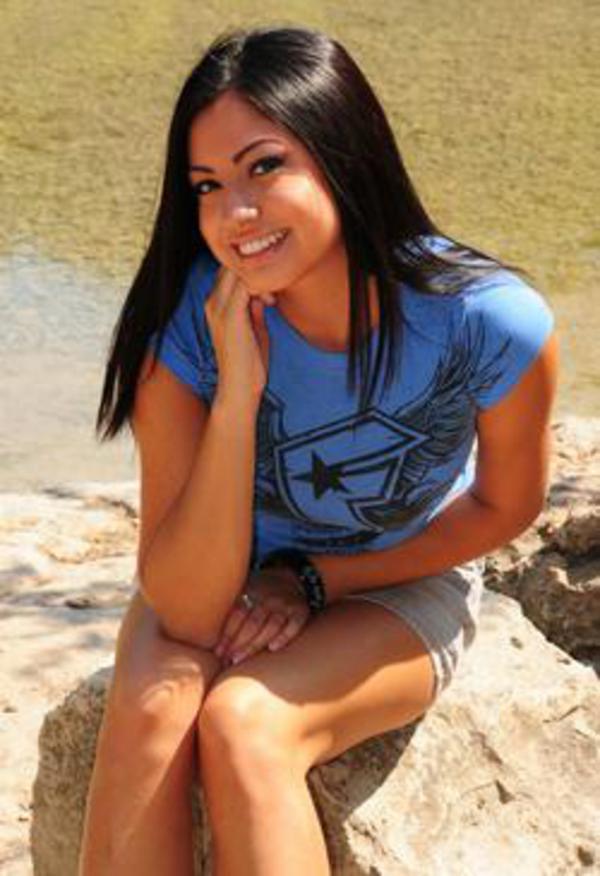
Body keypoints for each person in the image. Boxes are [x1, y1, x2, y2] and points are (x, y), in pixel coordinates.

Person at [79, 24, 558, 876]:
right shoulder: (186, 324)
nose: (235, 214)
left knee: (246, 724)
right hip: (217, 574)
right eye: (207, 185)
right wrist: (238, 395)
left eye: (265, 167)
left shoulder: (485, 321)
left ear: (344, 155)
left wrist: (316, 579)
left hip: (401, 581)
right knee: (155, 712)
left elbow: (504, 506)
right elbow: (186, 609)